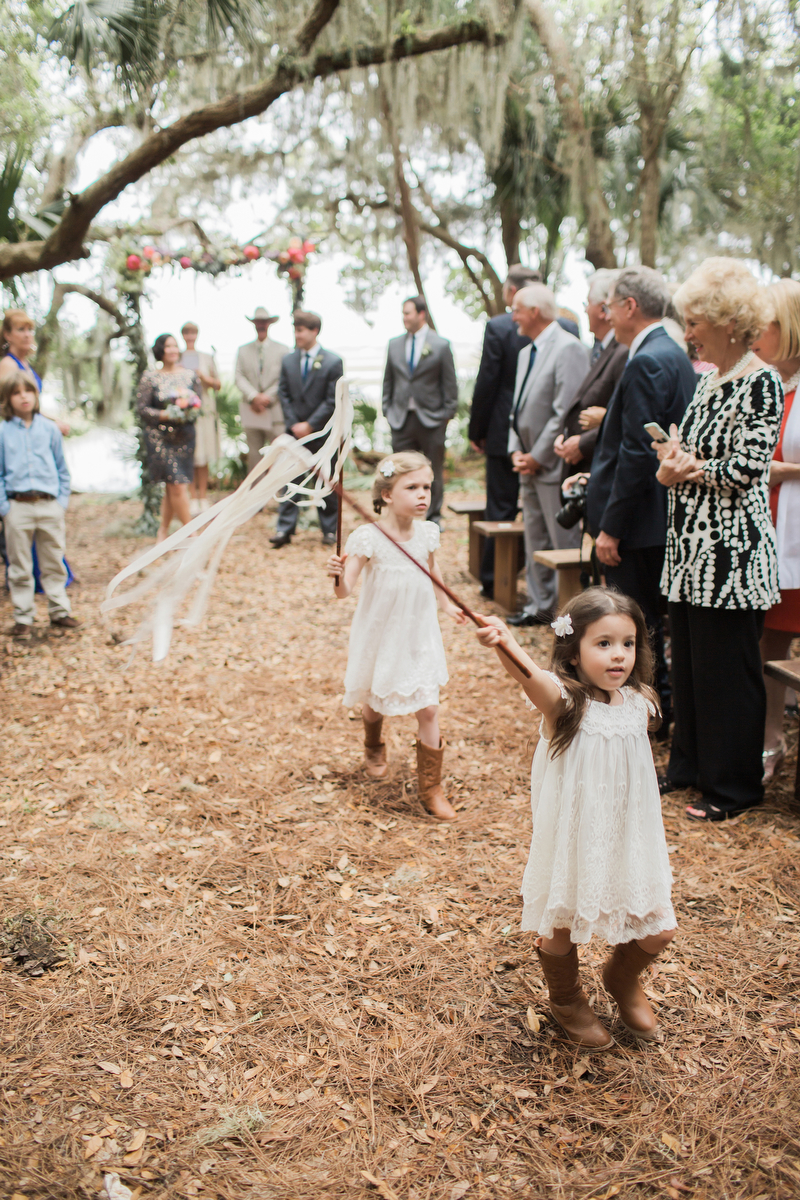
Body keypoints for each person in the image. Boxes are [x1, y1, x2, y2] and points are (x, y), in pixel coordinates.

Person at [475, 588, 676, 1047]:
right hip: (576, 837)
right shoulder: (567, 704)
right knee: (562, 925)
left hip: (628, 836)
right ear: (573, 650)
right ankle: (566, 998)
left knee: (660, 928)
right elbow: (533, 680)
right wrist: (506, 642)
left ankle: (621, 980)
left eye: (627, 643)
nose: (618, 655)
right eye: (602, 643)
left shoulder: (640, 702)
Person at [655, 257, 781, 821]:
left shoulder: (762, 382)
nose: (688, 332)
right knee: (689, 664)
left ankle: (733, 787)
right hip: (689, 552)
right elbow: (696, 452)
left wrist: (692, 470)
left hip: (732, 555)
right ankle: (689, 767)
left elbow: (749, 467)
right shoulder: (708, 380)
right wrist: (670, 465)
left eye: (695, 321)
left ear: (729, 322)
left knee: (728, 671)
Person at [325, 452, 467, 820]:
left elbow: (434, 572)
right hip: (382, 630)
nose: (423, 495)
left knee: (429, 707)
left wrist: (448, 605)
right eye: (412, 487)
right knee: (374, 698)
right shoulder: (367, 537)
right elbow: (344, 592)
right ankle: (374, 745)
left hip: (419, 631)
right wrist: (337, 574)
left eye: (427, 487)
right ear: (387, 494)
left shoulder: (428, 533)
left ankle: (431, 788)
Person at [584, 266, 697, 724]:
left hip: (639, 522)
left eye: (610, 304)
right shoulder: (670, 353)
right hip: (657, 517)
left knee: (638, 624)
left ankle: (648, 715)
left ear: (630, 306)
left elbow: (635, 451)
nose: (606, 313)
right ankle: (658, 710)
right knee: (649, 623)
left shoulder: (649, 359)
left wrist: (611, 526)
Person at [507, 283, 589, 626]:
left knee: (561, 540)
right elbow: (517, 407)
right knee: (534, 536)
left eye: (516, 310)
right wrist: (516, 450)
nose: (513, 318)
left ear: (534, 312)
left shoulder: (570, 349)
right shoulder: (527, 352)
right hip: (527, 460)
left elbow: (564, 411)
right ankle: (538, 607)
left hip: (553, 464)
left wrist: (538, 455)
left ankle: (567, 614)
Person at [468, 265, 543, 598]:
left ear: (513, 292)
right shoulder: (567, 325)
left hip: (501, 432)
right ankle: (528, 571)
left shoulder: (498, 326)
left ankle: (491, 580)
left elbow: (488, 382)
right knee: (539, 507)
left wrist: (477, 430)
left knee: (499, 507)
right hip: (544, 436)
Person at [752, 280, 800, 781]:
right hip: (767, 530)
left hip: (796, 531)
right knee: (769, 641)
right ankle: (769, 738)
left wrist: (776, 469)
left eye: (761, 325)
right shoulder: (767, 383)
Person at [0, 372, 78, 637]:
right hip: (17, 506)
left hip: (48, 505)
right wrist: (5, 508)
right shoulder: (3, 431)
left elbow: (61, 468)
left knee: (53, 559)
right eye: (16, 392)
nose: (23, 396)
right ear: (8, 399)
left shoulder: (49, 429)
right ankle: (24, 617)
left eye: (28, 391)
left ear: (36, 395)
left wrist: (61, 502)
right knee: (19, 564)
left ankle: (60, 611)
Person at [381, 296, 458, 524]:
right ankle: (404, 516)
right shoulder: (394, 344)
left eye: (408, 313)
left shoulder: (441, 345)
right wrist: (387, 408)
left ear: (421, 314)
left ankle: (433, 517)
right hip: (401, 418)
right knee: (400, 472)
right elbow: (389, 380)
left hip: (432, 419)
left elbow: (450, 384)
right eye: (403, 313)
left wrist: (447, 414)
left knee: (432, 470)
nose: (404, 318)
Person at [271, 311, 343, 547]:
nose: (297, 334)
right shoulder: (288, 360)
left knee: (327, 479)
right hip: (295, 432)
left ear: (314, 331)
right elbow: (284, 393)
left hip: (323, 433)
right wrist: (294, 424)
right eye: (295, 329)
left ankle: (330, 529)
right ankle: (285, 528)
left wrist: (311, 424)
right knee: (289, 478)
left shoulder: (333, 361)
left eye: (301, 330)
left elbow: (333, 400)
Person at [554, 269, 628, 479]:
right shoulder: (601, 349)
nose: (585, 310)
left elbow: (624, 416)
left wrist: (582, 444)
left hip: (599, 465)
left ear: (604, 308)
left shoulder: (622, 351)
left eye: (588, 304)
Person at [136, 334, 201, 543]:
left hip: (184, 436)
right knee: (177, 485)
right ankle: (192, 534)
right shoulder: (150, 377)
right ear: (160, 350)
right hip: (159, 437)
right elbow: (142, 409)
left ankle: (162, 531)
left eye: (175, 346)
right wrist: (165, 415)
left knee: (173, 486)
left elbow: (199, 405)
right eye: (168, 346)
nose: (173, 349)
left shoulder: (190, 375)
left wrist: (188, 411)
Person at [234, 307, 290, 475]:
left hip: (274, 410)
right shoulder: (243, 350)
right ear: (254, 324)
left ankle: (282, 498)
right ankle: (257, 500)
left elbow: (284, 379)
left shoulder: (283, 350)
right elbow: (238, 376)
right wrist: (253, 397)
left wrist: (266, 397)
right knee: (254, 456)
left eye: (264, 322)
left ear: (269, 324)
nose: (261, 325)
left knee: (279, 454)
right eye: (258, 322)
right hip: (252, 410)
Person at [0, 308, 70, 437]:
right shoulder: (8, 364)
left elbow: (33, 407)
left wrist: (54, 420)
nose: (27, 335)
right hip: (18, 434)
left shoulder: (26, 364)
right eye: (21, 329)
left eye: (30, 330)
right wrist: (51, 424)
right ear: (7, 335)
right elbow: (10, 409)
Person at [180, 322, 221, 513]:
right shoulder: (178, 357)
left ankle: (203, 496)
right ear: (182, 335)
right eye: (187, 333)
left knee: (203, 454)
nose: (190, 336)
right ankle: (192, 496)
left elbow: (218, 384)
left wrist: (204, 377)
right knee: (190, 454)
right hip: (185, 410)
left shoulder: (206, 357)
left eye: (193, 332)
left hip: (204, 410)